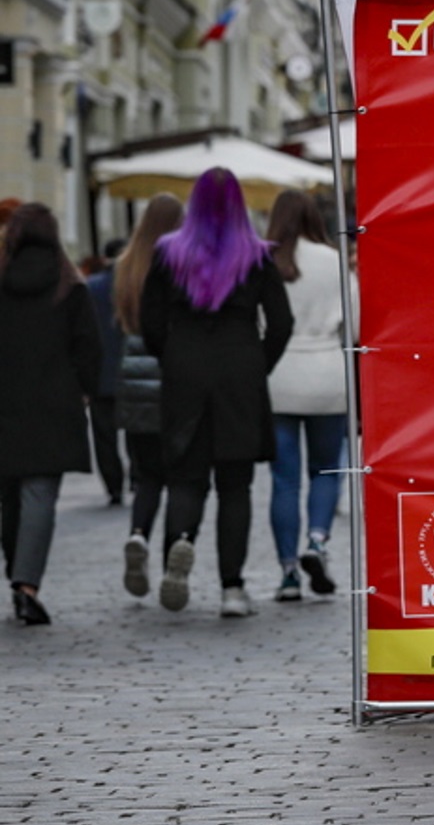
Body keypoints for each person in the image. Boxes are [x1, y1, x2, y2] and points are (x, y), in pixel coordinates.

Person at [141, 168, 293, 617]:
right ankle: (232, 587)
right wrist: (256, 363)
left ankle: (180, 543)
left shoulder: (168, 253)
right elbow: (281, 323)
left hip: (185, 365)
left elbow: (149, 322)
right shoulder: (258, 256)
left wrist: (171, 357)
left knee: (186, 475)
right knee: (235, 484)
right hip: (239, 366)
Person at [0, 204, 103, 625]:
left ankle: (14, 569)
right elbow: (89, 350)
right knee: (39, 495)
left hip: (4, 402)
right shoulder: (69, 287)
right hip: (54, 404)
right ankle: (27, 585)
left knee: (9, 493)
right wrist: (85, 391)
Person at [266, 190, 357, 601]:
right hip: (326, 377)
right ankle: (317, 541)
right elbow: (354, 328)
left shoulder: (262, 261)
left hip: (277, 377)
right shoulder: (334, 262)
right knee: (325, 469)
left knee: (283, 480)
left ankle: (288, 573)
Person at [113, 194, 185, 598]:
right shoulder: (179, 263)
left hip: (133, 375)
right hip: (173, 372)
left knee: (146, 475)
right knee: (180, 477)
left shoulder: (126, 264)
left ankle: (138, 533)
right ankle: (172, 557)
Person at [83, 239, 130, 505]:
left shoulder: (92, 287)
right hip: (132, 370)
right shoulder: (135, 284)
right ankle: (137, 475)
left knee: (104, 436)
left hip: (100, 371)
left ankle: (113, 485)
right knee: (137, 428)